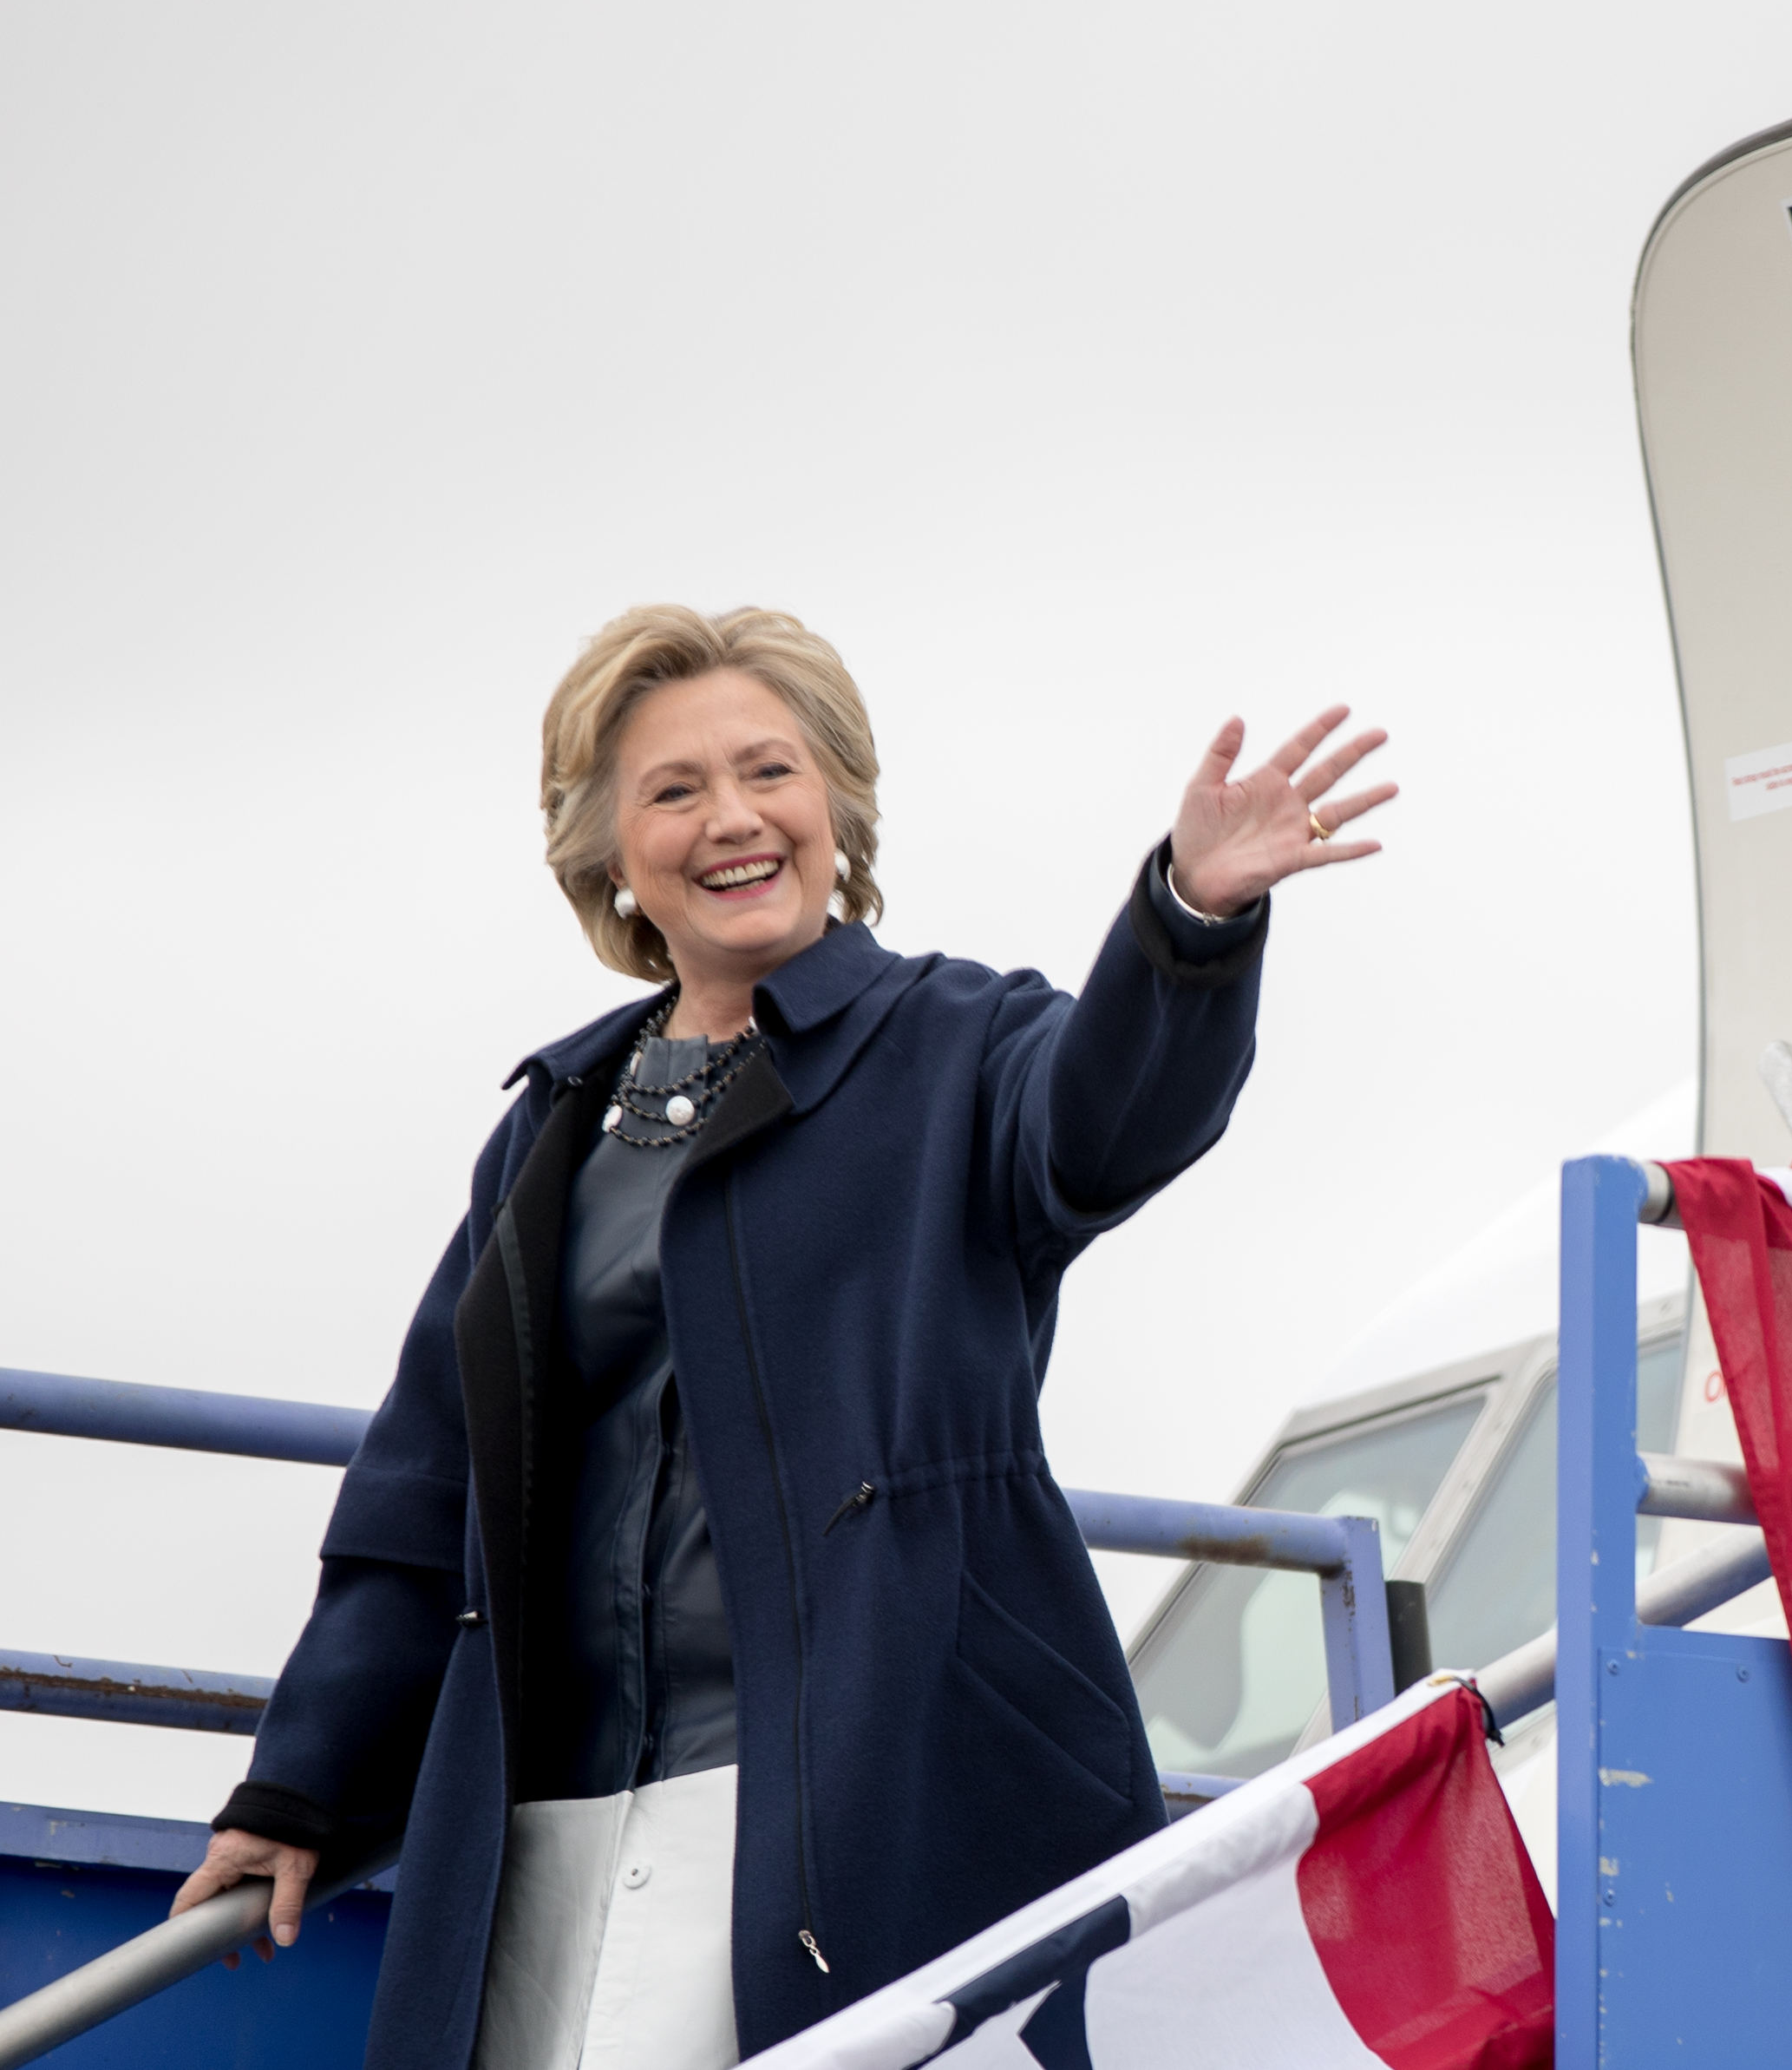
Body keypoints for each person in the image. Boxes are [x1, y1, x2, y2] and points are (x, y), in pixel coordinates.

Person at [170, 604, 1391, 2070]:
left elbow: (1107, 1118)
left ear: (840, 806)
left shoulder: (955, 1045)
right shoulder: (548, 1130)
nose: (733, 818)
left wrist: (1189, 921)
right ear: (608, 855)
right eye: (674, 790)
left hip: (855, 1821)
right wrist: (299, 1789)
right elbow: (427, 1495)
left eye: (772, 772)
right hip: (548, 1840)